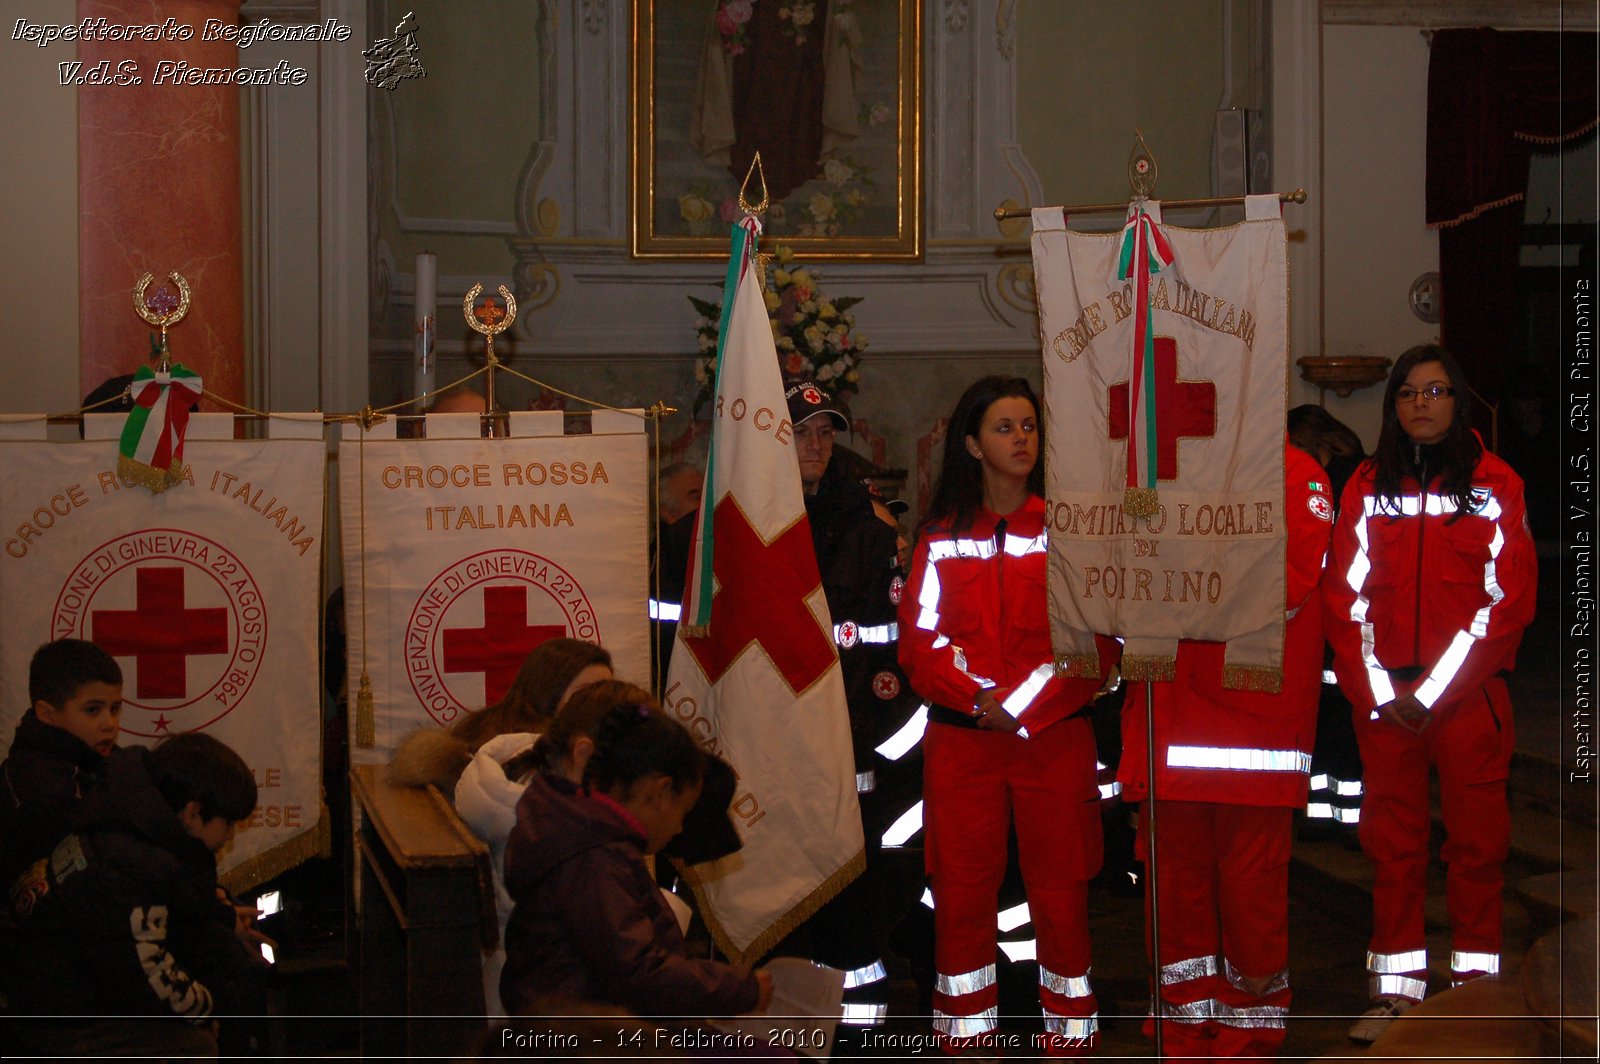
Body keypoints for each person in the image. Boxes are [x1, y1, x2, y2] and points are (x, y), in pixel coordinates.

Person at [1322, 344, 1537, 1043]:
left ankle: (1475, 994)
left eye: (1436, 390)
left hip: (1468, 702)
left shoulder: (1496, 484)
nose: (1421, 403)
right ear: (1394, 406)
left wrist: (1435, 691)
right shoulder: (1365, 484)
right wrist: (1382, 692)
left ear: (1459, 401)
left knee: (1478, 850)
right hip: (1387, 704)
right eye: (1409, 392)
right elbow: (1343, 599)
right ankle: (1395, 995)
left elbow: (1507, 605)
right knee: (1393, 850)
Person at [897, 376, 1117, 1056]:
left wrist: (1017, 708)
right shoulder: (938, 538)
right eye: (1004, 427)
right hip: (963, 746)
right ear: (971, 443)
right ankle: (966, 1040)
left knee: (1061, 897)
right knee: (961, 898)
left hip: (1050, 740)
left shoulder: (1067, 531)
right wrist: (977, 700)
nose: (1022, 438)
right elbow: (919, 640)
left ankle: (1068, 1040)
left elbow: (1094, 645)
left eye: (1029, 426)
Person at [1117, 441, 1335, 1057]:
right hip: (1171, 721)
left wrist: (1175, 575)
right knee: (1174, 894)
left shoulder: (1296, 471)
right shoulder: (1157, 472)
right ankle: (1184, 1036)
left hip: (1253, 731)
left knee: (1252, 896)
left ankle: (1248, 1039)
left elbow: (1284, 584)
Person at [499, 684, 771, 1019]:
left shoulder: (577, 829)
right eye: (682, 812)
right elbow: (636, 973)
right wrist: (740, 989)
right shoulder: (592, 852)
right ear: (660, 792)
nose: (680, 829)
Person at [7, 732, 267, 1058]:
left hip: (73, 985)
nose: (230, 835)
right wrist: (210, 1013)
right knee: (194, 1044)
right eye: (228, 823)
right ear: (192, 813)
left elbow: (183, 902)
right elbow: (145, 977)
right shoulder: (127, 866)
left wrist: (225, 919)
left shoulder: (131, 820)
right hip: (59, 1019)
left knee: (217, 947)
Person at [781, 380, 909, 1006]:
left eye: (826, 432)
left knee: (852, 911)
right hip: (774, 748)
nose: (817, 445)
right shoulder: (743, 523)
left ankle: (859, 1033)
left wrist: (874, 748)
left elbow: (887, 651)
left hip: (851, 744)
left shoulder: (870, 527)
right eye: (801, 431)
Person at [388, 637, 614, 793]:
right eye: (586, 692)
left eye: (608, 692)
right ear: (548, 691)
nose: (601, 703)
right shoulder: (531, 763)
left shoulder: (490, 730)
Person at [1289, 404, 1370, 835]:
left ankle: (1339, 819)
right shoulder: (1354, 476)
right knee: (1333, 727)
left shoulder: (1348, 482)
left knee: (1340, 729)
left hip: (1341, 616)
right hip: (1330, 618)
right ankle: (1332, 816)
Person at [1, 638, 124, 891]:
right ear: (47, 714)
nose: (109, 723)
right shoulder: (40, 792)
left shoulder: (96, 760)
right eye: (93, 710)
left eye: (115, 708)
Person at [650, 462, 703, 682]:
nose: (706, 506)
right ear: (668, 513)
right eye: (695, 497)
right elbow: (660, 619)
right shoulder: (662, 556)